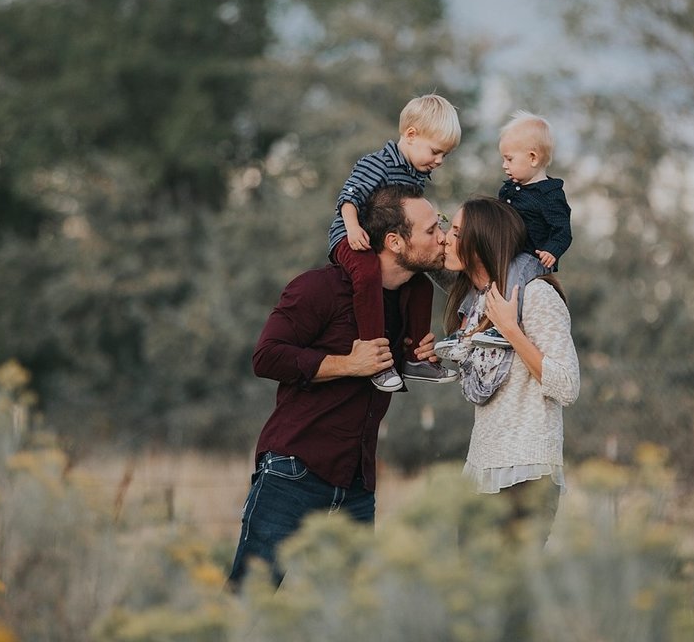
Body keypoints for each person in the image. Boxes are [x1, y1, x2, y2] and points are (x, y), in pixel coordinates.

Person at [227, 185, 446, 588]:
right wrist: (347, 364)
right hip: (293, 472)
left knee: (352, 617)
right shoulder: (319, 288)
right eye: (432, 229)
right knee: (248, 602)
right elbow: (266, 357)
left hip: (357, 485)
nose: (443, 237)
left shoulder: (410, 301)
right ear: (395, 242)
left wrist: (421, 354)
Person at [437, 196, 580, 546]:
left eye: (456, 231)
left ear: (482, 241)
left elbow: (566, 385)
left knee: (511, 598)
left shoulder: (534, 295)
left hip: (526, 475)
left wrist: (512, 331)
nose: (445, 238)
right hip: (480, 471)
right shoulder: (477, 303)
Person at [328, 94, 462, 390]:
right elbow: (349, 197)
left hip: (386, 244)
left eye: (445, 155)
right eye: (436, 151)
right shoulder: (377, 163)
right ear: (412, 135)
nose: (439, 160)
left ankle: (415, 358)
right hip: (353, 238)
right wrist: (352, 229)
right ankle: (377, 359)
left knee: (421, 285)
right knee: (367, 276)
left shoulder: (416, 175)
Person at [470, 111, 573, 349]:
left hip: (531, 255)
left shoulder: (549, 195)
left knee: (514, 279)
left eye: (509, 159)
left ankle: (506, 327)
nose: (504, 166)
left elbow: (562, 229)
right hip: (507, 251)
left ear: (533, 158)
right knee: (478, 273)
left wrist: (552, 250)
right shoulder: (510, 189)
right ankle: (469, 321)